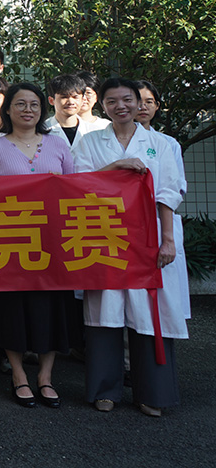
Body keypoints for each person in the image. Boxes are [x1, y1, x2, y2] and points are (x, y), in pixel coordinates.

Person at [75, 77, 188, 417]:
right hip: (104, 236)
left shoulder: (161, 144)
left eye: (127, 99)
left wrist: (168, 241)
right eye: (112, 101)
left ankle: (152, 393)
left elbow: (168, 193)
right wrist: (116, 167)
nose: (120, 106)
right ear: (102, 106)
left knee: (149, 314)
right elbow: (79, 184)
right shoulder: (90, 141)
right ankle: (104, 390)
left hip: (149, 238)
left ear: (140, 103)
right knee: (105, 314)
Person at [0, 82, 75, 410]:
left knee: (50, 309)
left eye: (34, 104)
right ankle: (19, 375)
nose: (27, 110)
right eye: (20, 104)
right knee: (12, 309)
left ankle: (45, 377)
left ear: (42, 110)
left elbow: (73, 190)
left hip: (51, 243)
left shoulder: (58, 144)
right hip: (10, 242)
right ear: (8, 109)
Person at [46, 72, 109, 154]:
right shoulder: (41, 130)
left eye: (75, 97)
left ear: (82, 99)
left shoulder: (95, 131)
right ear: (51, 100)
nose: (71, 102)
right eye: (64, 97)